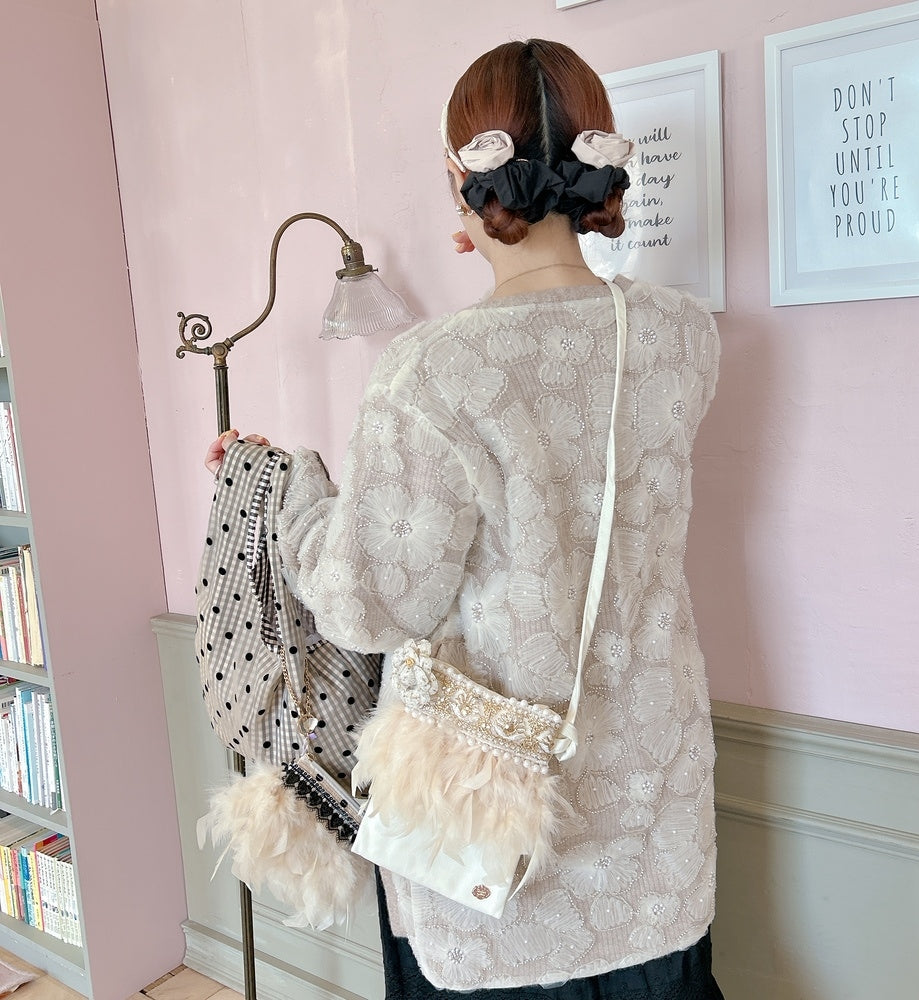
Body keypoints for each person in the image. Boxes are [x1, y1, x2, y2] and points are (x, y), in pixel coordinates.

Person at [206, 37, 723, 1000]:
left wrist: (290, 486)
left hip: (488, 831)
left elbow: (367, 604)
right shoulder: (680, 337)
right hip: (653, 815)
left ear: (464, 180)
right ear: (598, 169)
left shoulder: (432, 370)